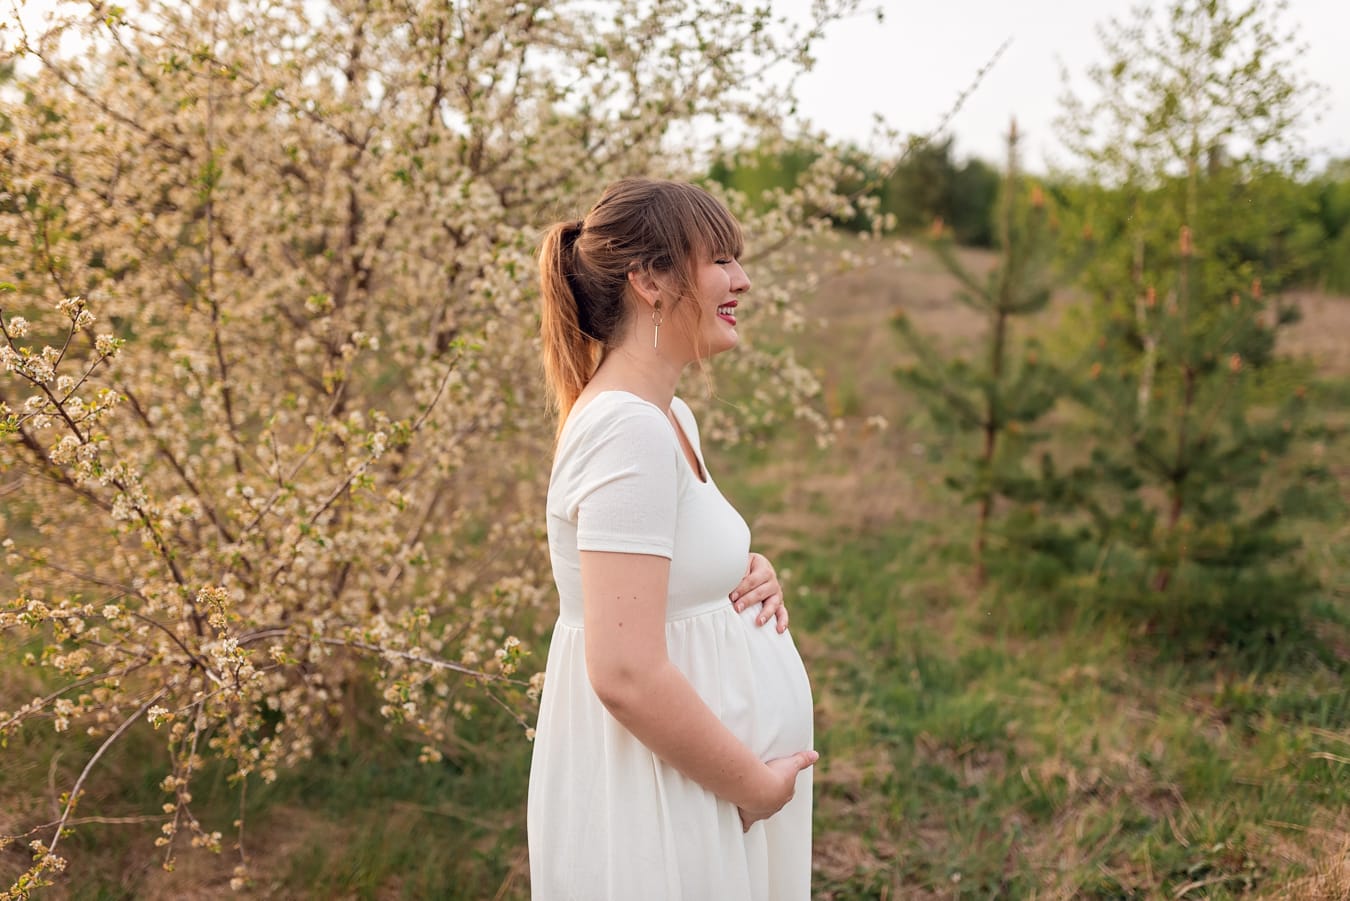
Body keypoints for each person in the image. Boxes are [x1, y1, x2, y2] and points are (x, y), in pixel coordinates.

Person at [528, 177, 817, 900]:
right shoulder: (628, 430)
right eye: (720, 259)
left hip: (693, 784)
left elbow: (664, 574)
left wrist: (743, 572)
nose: (742, 280)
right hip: (662, 793)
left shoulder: (668, 417)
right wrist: (752, 786)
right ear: (651, 279)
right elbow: (624, 669)